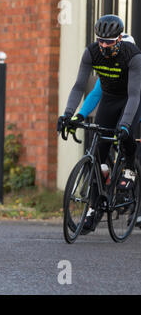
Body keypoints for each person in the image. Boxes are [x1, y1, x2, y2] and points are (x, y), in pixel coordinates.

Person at [57, 15, 141, 234]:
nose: (104, 46)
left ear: (121, 40)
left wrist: (124, 126)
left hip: (134, 99)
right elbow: (84, 88)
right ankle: (94, 209)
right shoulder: (92, 53)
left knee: (127, 134)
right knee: (98, 153)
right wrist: (72, 115)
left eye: (110, 42)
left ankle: (130, 170)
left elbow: (134, 96)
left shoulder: (132, 57)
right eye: (101, 41)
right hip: (111, 100)